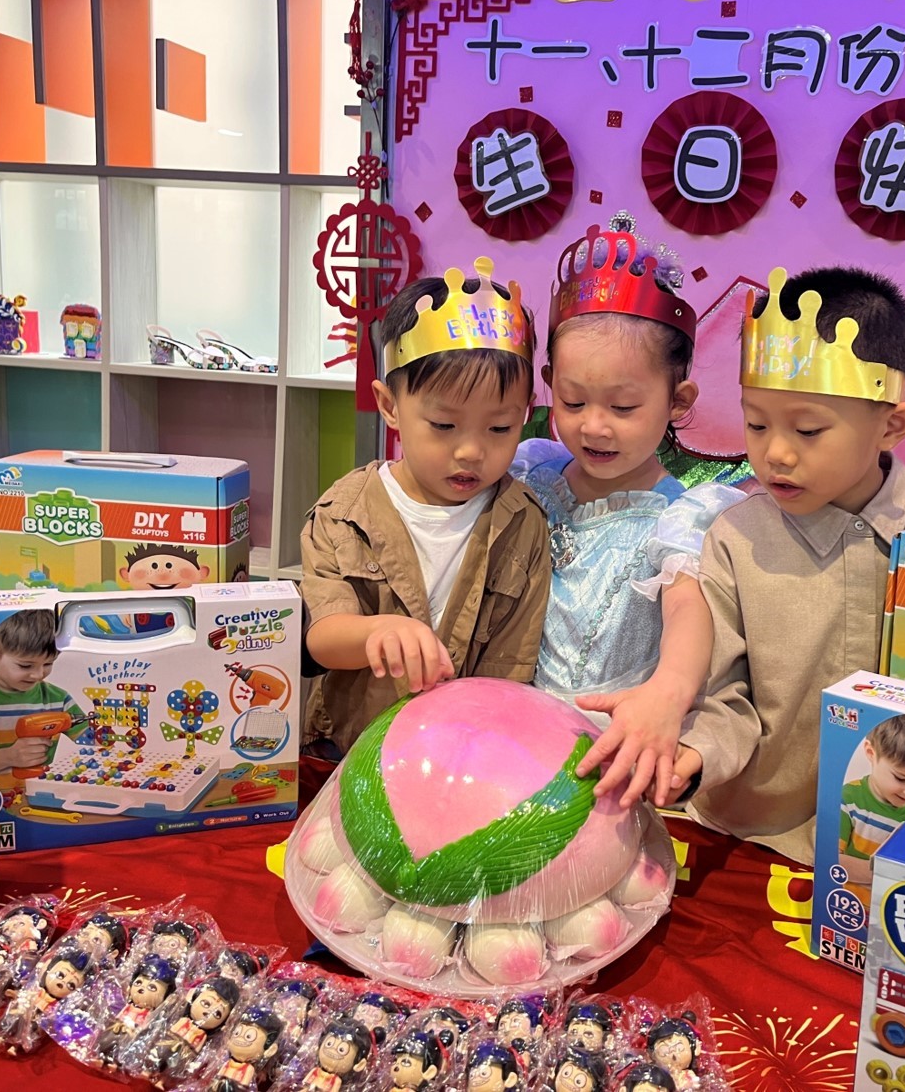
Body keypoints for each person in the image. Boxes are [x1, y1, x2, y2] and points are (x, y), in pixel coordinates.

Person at [670, 265, 905, 866]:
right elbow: (724, 696)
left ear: (892, 425)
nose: (774, 452)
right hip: (755, 834)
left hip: (901, 842)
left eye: (808, 430)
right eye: (756, 423)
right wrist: (696, 756)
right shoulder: (736, 536)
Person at [512, 215, 746, 806]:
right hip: (512, 734)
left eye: (623, 408)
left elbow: (688, 606)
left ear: (677, 400)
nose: (594, 426)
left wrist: (669, 692)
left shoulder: (683, 516)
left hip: (617, 744)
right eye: (572, 401)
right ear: (549, 383)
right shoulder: (529, 474)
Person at [301, 258, 551, 755]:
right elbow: (321, 638)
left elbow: (511, 672)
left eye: (500, 428)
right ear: (390, 406)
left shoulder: (523, 523)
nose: (471, 451)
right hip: (346, 748)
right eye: (444, 425)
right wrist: (378, 631)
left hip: (464, 751)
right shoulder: (344, 513)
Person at [0, 609, 86, 775]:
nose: (38, 675)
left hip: (41, 791)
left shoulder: (58, 699)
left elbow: (94, 742)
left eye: (48, 664)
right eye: (25, 666)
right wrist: (7, 757)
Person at [837, 714, 905, 884]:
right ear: (871, 753)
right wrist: (889, 875)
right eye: (901, 779)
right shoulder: (848, 799)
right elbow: (830, 860)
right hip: (844, 896)